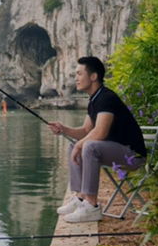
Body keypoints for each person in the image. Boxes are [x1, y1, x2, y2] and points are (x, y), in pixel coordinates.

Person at [49, 56, 147, 223]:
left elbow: (100, 133)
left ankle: (91, 206)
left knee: (89, 147)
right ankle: (80, 198)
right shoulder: (94, 100)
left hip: (133, 156)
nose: (76, 78)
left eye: (79, 74)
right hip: (117, 151)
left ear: (93, 76)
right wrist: (63, 129)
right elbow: (87, 131)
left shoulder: (106, 98)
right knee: (74, 146)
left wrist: (81, 145)